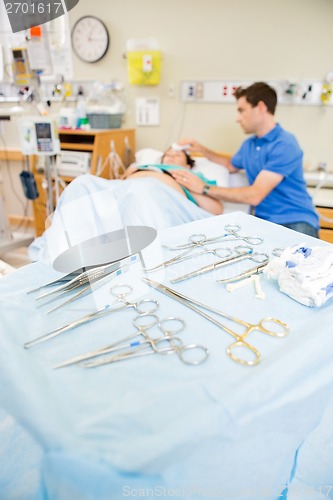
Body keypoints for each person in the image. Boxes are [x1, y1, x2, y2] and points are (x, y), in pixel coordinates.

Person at [172, 81, 319, 238]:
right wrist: (201, 149)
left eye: (241, 111)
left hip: (296, 221)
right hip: (265, 222)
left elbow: (254, 195)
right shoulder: (249, 145)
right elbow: (230, 165)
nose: (237, 118)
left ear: (261, 108)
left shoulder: (284, 144)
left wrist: (204, 188)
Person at [122, 145, 223, 215]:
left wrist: (189, 185)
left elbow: (216, 209)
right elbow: (118, 185)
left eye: (177, 155)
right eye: (168, 154)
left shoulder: (192, 177)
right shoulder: (144, 166)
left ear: (187, 166)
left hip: (159, 201)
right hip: (127, 193)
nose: (171, 156)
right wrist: (126, 175)